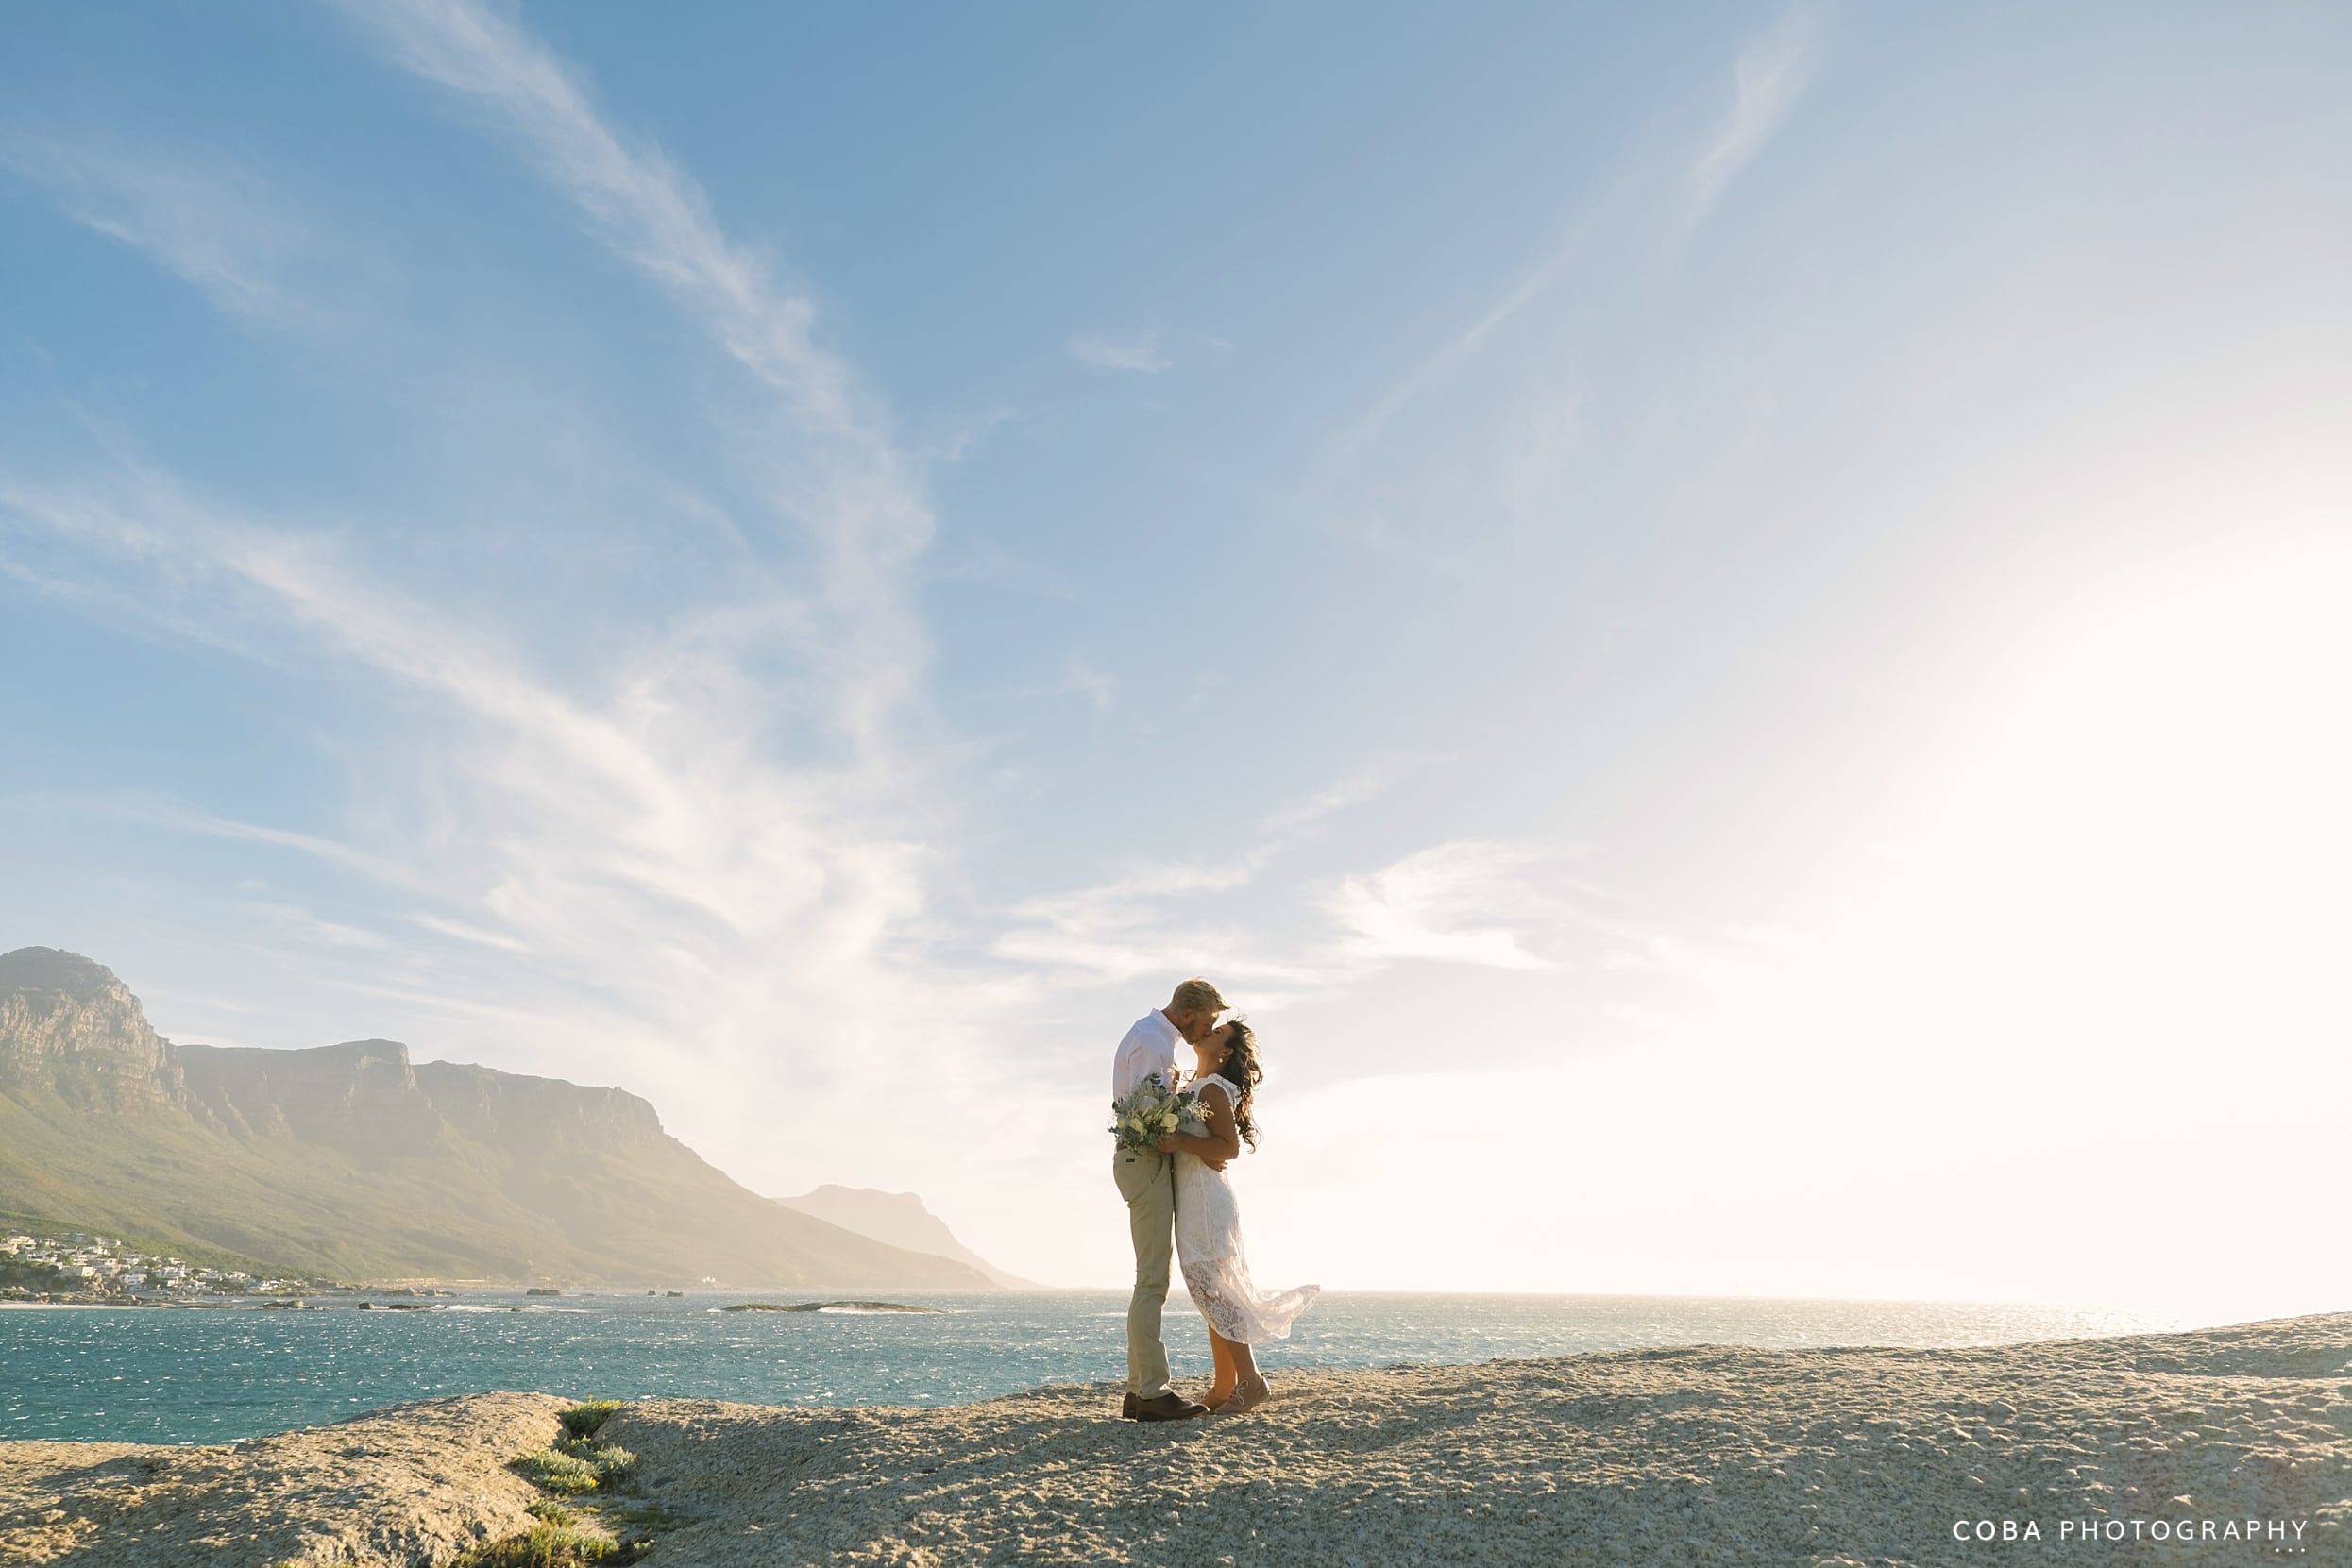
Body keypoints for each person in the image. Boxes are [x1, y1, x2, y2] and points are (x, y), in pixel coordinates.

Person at [1157, 1016, 1320, 1412]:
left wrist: (1178, 1139)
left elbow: (1227, 1149)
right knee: (1214, 1295)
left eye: (1217, 1033)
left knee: (1214, 1294)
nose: (1208, 1033)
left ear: (1225, 1051)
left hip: (1206, 1203)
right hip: (1198, 1199)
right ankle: (1223, 1387)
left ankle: (1250, 1379)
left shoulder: (1211, 1090)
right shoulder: (1198, 1086)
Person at [1110, 977, 1228, 1421]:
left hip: (1140, 1162)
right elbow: (1144, 1110)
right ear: (1188, 1014)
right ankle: (1153, 1393)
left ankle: (1139, 1390)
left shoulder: (1154, 1035)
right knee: (1152, 1282)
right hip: (1143, 1161)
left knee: (1150, 1279)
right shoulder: (1151, 1039)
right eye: (1208, 1022)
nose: (1207, 1031)